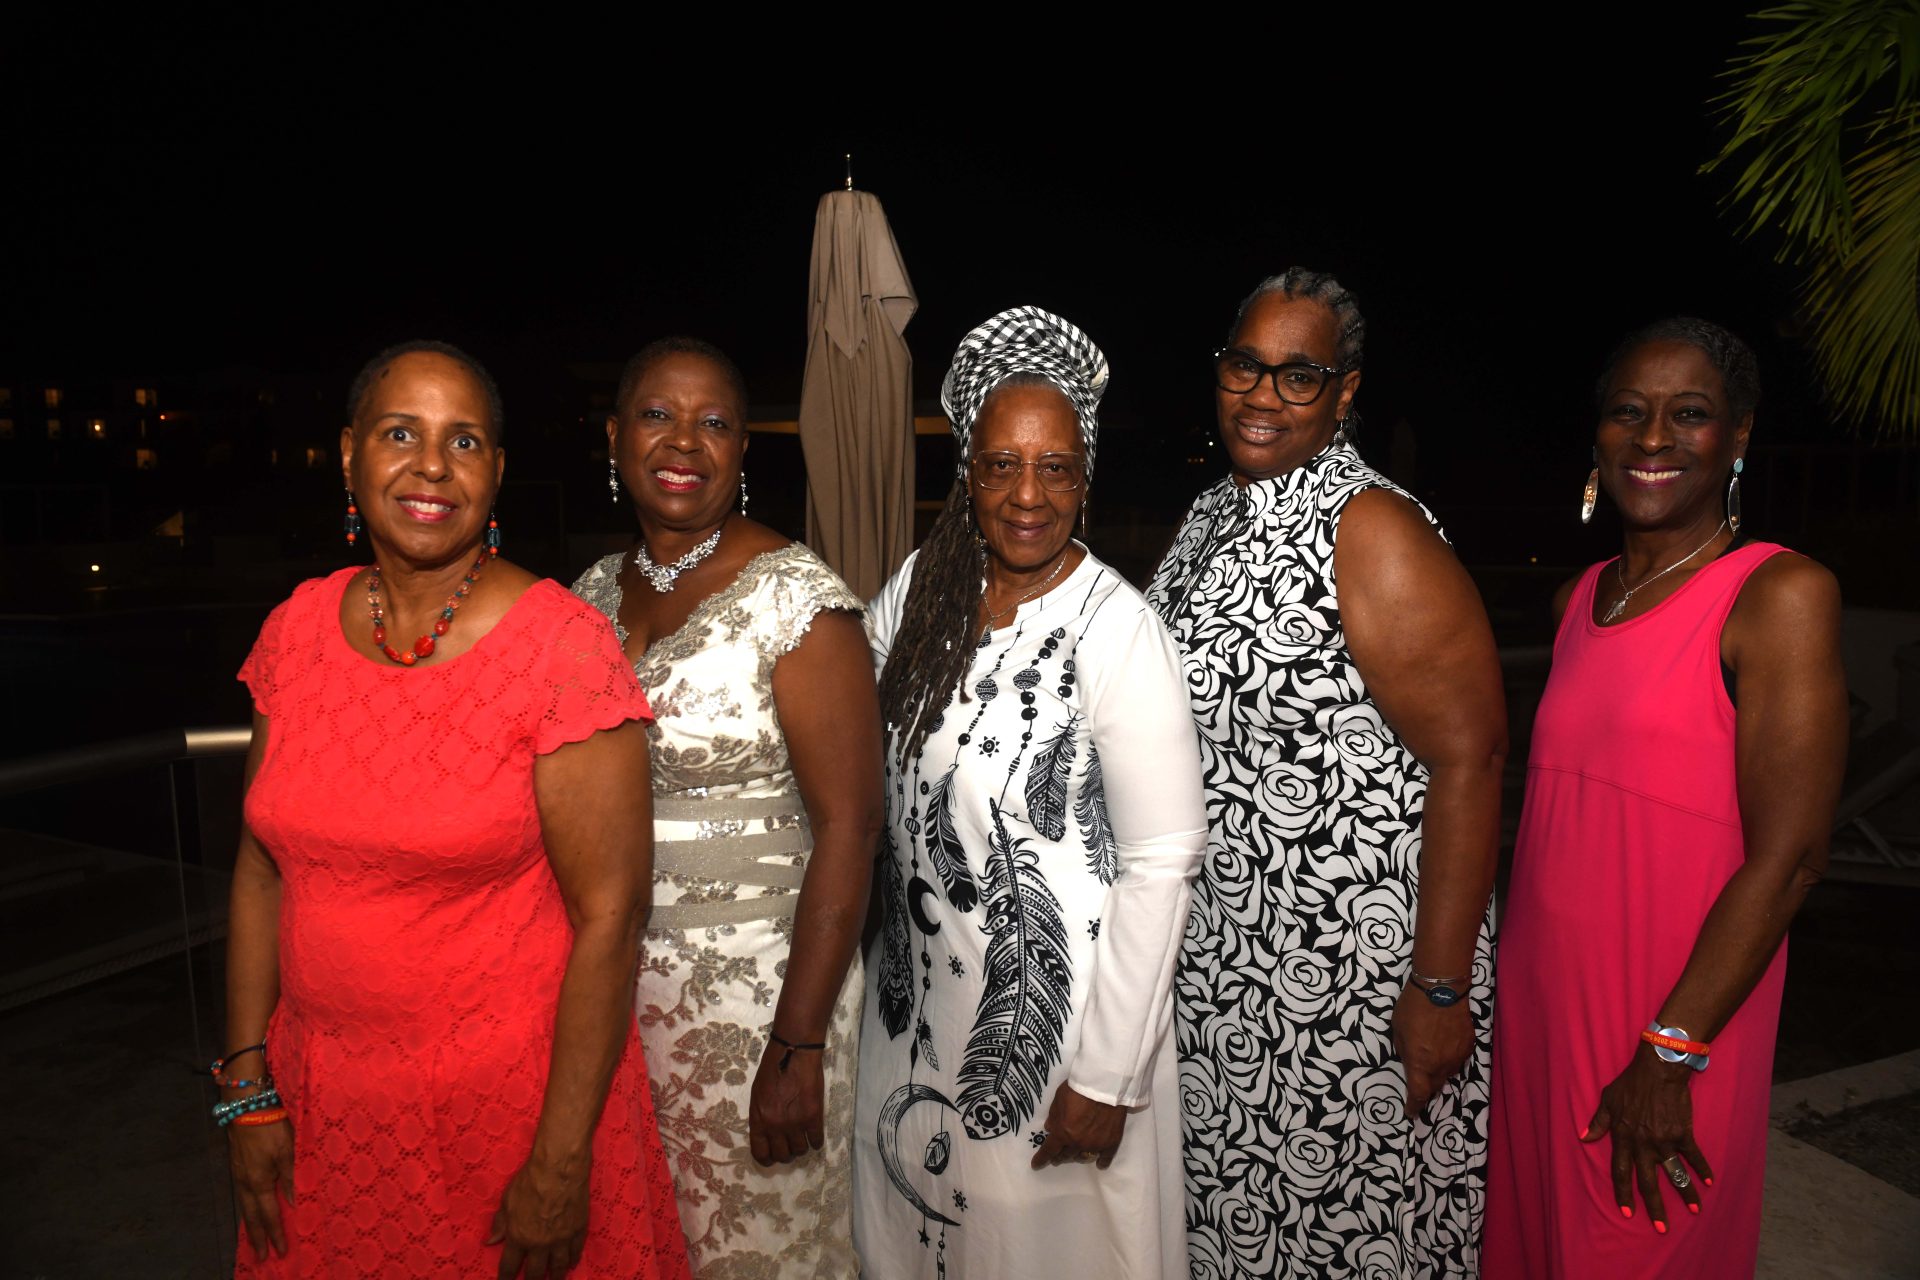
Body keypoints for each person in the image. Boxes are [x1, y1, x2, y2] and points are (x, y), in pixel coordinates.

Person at [221, 341, 692, 1278]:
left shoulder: (562, 649)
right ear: (349, 452)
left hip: (505, 1114)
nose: (432, 465)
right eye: (401, 434)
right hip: (317, 1099)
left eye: (464, 441)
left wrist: (560, 1162)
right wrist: (244, 1086)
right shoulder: (295, 630)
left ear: (497, 472)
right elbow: (260, 869)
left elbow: (611, 918)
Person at [1146, 268, 1508, 1279]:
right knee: (1236, 1230)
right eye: (1245, 365)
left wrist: (1439, 985)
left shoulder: (1371, 526)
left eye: (1297, 374)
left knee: (1349, 1233)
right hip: (1227, 968)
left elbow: (1472, 756)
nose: (1262, 395)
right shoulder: (1211, 511)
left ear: (1345, 391)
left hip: (1352, 984)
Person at [1481, 318, 1847, 1278]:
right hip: (1540, 1012)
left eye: (1689, 414)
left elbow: (1793, 859)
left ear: (1739, 434)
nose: (1652, 438)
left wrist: (1671, 1048)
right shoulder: (1577, 598)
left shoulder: (1778, 595)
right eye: (1628, 412)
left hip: (1673, 1018)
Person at [853, 306, 1208, 1278]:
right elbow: (854, 729)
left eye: (1056, 467)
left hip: (1052, 1037)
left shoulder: (1117, 629)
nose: (1027, 494)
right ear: (966, 472)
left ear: (1086, 478)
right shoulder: (922, 587)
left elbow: (1162, 860)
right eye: (1002, 464)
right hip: (916, 1020)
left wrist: (1107, 1075)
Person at [572, 336, 880, 1276]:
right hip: (615, 999)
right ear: (615, 437)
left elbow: (853, 827)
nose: (683, 442)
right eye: (657, 416)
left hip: (761, 1004)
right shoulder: (587, 597)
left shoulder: (799, 600)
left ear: (743, 449)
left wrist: (797, 1042)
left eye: (713, 423)